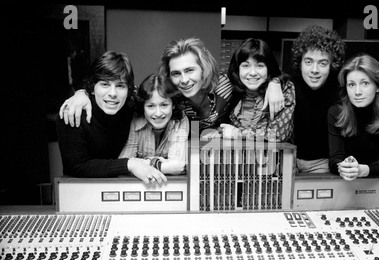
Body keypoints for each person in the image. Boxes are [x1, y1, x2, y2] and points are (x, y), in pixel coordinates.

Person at [59, 37, 285, 136]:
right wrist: (82, 92)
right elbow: (121, 89)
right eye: (176, 73)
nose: (184, 80)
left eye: (189, 70)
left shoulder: (226, 85)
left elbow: (255, 76)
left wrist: (276, 81)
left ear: (203, 68)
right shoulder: (170, 95)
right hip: (188, 160)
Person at [290, 25, 379, 174]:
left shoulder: (342, 87)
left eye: (322, 63)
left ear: (331, 64)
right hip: (292, 159)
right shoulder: (288, 87)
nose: (314, 69)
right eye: (308, 62)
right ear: (300, 62)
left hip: (324, 164)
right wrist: (274, 84)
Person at [56, 51, 166, 184]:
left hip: (123, 189)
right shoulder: (74, 113)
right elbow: (77, 166)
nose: (113, 93)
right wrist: (129, 164)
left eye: (120, 86)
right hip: (81, 192)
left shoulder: (132, 106)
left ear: (128, 90)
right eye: (105, 84)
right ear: (92, 87)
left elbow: (166, 99)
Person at [327, 54, 379, 180]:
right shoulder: (336, 113)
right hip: (345, 183)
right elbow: (334, 159)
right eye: (351, 85)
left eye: (365, 83)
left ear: (378, 87)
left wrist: (362, 170)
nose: (357, 92)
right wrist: (343, 167)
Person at [217, 38, 295, 142]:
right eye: (245, 65)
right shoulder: (230, 89)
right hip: (236, 156)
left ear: (268, 68)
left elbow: (279, 135)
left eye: (260, 65)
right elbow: (219, 126)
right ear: (238, 69)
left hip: (273, 157)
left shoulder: (283, 89)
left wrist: (238, 133)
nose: (252, 72)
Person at [119, 73, 189, 176]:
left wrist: (141, 164)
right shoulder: (134, 120)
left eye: (164, 105)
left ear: (173, 105)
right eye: (151, 106)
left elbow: (178, 166)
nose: (158, 113)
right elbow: (124, 164)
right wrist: (160, 164)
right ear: (143, 106)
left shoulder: (180, 119)